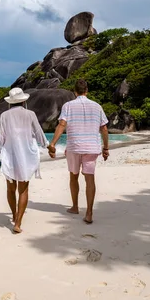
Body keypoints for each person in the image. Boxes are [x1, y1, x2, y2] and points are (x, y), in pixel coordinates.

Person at [48, 78, 109, 224]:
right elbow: (104, 128)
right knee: (90, 179)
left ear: (74, 92)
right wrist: (106, 147)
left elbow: (62, 124)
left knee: (73, 176)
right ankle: (89, 213)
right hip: (91, 147)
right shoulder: (97, 106)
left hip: (74, 146)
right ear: (87, 91)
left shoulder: (68, 106)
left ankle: (75, 207)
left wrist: (53, 143)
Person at [0, 87, 48, 234]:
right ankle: (18, 222)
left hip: (9, 156)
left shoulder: (4, 115)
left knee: (10, 188)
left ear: (10, 102)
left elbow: (0, 137)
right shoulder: (30, 114)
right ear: (23, 101)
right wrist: (48, 146)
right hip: (26, 156)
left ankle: (15, 215)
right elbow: (39, 132)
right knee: (23, 189)